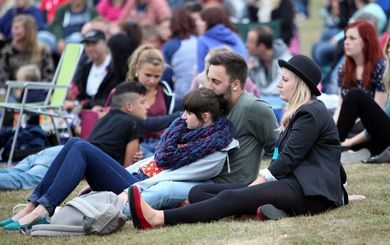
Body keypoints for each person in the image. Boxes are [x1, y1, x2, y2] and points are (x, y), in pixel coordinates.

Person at [127, 54, 349, 229]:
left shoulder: (310, 113)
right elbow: (327, 158)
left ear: (299, 84)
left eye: (284, 80)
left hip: (306, 192)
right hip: (292, 184)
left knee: (231, 197)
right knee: (198, 193)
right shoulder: (301, 111)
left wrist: (256, 184)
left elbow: (286, 160)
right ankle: (263, 210)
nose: (278, 84)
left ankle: (158, 218)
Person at [0, 87, 236, 231]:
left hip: (136, 187)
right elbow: (152, 162)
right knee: (74, 143)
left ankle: (43, 210)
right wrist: (97, 182)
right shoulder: (186, 133)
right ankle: (34, 206)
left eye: (188, 113)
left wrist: (133, 188)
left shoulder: (215, 152)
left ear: (205, 116)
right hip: (132, 176)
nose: (182, 118)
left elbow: (172, 180)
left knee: (81, 146)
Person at [135, 50, 278, 210]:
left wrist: (263, 183)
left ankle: (117, 211)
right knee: (139, 170)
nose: (209, 86)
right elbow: (182, 128)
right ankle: (112, 199)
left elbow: (278, 146)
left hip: (223, 184)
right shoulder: (213, 102)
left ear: (236, 84)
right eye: (208, 79)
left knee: (163, 191)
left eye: (216, 82)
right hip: (192, 170)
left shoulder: (254, 108)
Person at [338, 28, 390, 163]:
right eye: (389, 46)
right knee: (354, 137)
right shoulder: (345, 68)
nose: (389, 49)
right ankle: (357, 151)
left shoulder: (381, 68)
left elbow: (387, 117)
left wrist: (350, 141)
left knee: (355, 95)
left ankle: (332, 146)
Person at [126, 44, 178, 158]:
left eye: (157, 76)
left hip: (162, 143)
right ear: (136, 69)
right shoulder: (126, 92)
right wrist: (174, 117)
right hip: (136, 144)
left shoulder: (165, 90)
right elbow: (137, 124)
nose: (152, 80)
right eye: (148, 75)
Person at [333, 20, 387, 123]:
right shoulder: (343, 69)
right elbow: (341, 105)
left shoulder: (381, 67)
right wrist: (332, 128)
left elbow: (379, 110)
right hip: (348, 123)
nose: (346, 42)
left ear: (367, 42)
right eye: (346, 37)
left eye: (352, 38)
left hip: (372, 125)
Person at [196, 6, 248, 73]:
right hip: (240, 80)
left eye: (202, 20)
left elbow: (201, 71)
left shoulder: (202, 40)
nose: (198, 23)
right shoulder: (235, 36)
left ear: (209, 21)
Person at [162, 7, 198, 101]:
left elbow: (166, 77)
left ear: (172, 25)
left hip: (181, 98)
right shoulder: (200, 41)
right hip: (201, 96)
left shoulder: (170, 46)